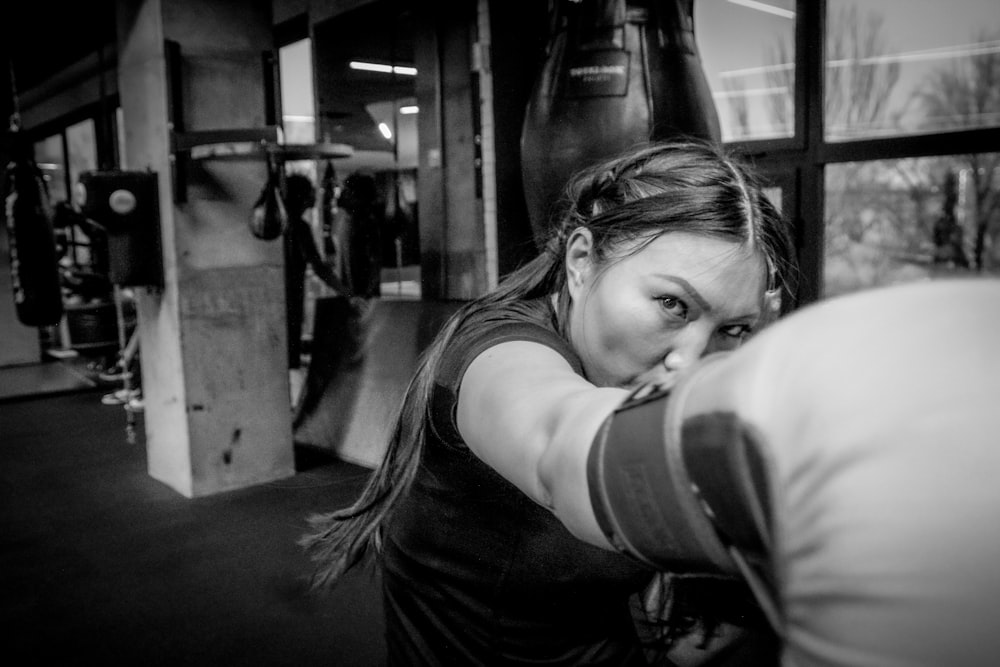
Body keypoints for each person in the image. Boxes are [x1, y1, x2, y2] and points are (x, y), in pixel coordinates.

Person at [301, 139, 797, 665]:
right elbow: (557, 445)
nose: (690, 362)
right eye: (672, 304)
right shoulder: (495, 355)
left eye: (733, 329)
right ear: (581, 261)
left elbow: (682, 641)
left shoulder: (654, 391)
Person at [282, 173, 348, 369]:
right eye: (311, 192)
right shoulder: (299, 226)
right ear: (301, 196)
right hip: (292, 291)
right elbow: (318, 266)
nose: (314, 196)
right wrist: (345, 292)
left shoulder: (288, 223)